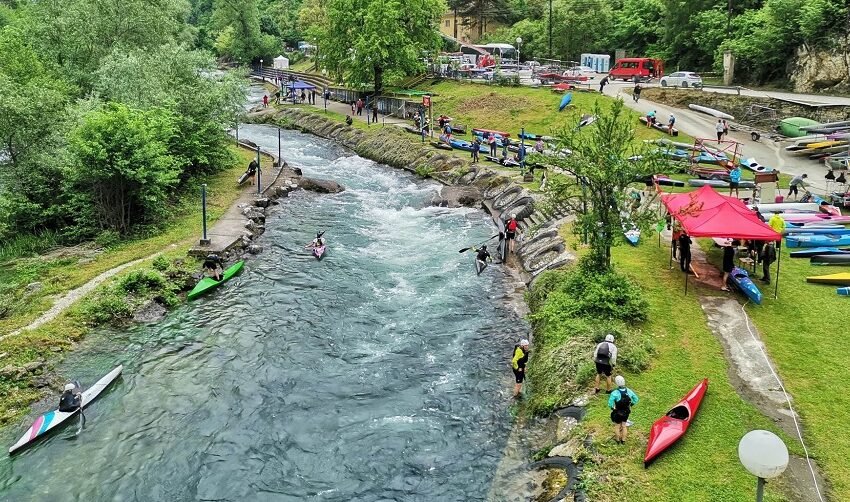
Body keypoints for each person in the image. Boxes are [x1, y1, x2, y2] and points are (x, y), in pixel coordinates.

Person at [608, 376, 638, 444]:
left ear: (616, 383)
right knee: (624, 426)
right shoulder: (629, 391)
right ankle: (623, 440)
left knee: (617, 426)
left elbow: (610, 404)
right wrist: (631, 404)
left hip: (617, 412)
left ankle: (617, 440)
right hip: (626, 411)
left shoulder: (614, 393)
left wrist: (612, 408)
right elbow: (636, 399)